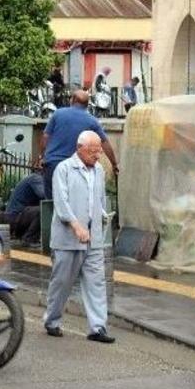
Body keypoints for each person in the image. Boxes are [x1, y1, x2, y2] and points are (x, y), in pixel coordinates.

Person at [43, 131, 114, 343]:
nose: (97, 155)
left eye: (99, 151)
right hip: (68, 238)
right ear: (80, 149)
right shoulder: (63, 169)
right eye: (93, 151)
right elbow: (61, 203)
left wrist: (102, 217)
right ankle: (52, 320)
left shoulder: (99, 170)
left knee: (96, 282)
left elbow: (99, 200)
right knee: (62, 282)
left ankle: (97, 327)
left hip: (94, 237)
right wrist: (76, 226)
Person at [40, 90, 119, 198]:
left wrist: (42, 156)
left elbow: (45, 136)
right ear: (87, 104)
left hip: (53, 164)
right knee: (74, 201)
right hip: (75, 168)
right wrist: (114, 164)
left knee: (51, 202)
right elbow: (105, 142)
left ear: (72, 100)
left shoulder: (58, 114)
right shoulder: (92, 121)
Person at [0, 172, 45, 247]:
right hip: (15, 217)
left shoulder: (35, 178)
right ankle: (29, 239)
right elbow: (44, 195)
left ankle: (24, 236)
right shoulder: (36, 179)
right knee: (42, 210)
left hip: (18, 216)